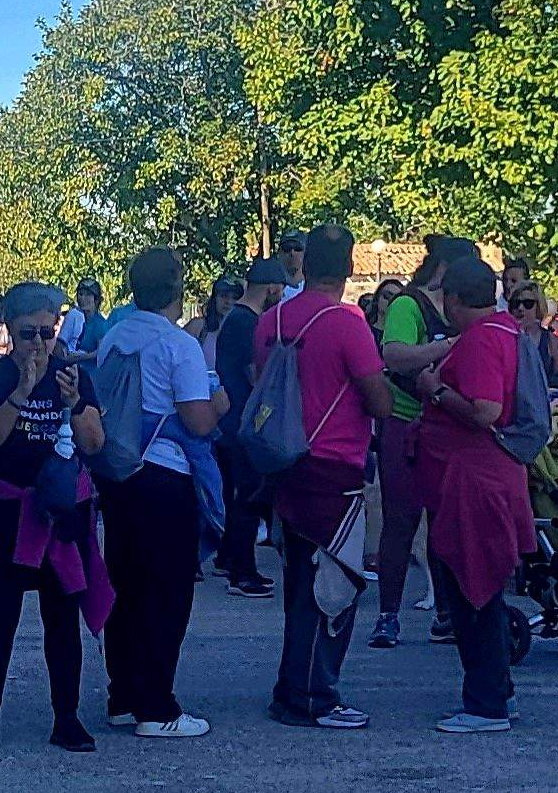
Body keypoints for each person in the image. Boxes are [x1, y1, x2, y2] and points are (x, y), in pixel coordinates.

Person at [0, 282, 111, 752]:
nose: (38, 344)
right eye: (27, 334)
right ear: (8, 332)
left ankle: (67, 718)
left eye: (46, 332)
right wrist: (21, 392)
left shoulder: (70, 378)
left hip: (58, 515)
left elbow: (95, 444)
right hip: (5, 510)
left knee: (61, 620)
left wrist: (72, 406)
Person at [256, 227, 393, 729]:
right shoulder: (346, 322)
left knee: (298, 581)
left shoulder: (270, 320)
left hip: (284, 463)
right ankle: (313, 694)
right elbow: (377, 399)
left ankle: (290, 686)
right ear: (350, 266)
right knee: (331, 585)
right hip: (334, 465)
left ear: (304, 263)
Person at [92, 246, 224, 739]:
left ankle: (122, 695)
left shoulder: (114, 337)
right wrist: (221, 402)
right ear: (178, 287)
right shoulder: (177, 344)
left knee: (124, 586)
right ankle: (158, 705)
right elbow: (197, 419)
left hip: (121, 473)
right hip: (166, 475)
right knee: (167, 592)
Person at [412, 253, 535, 734]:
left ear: (455, 299)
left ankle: (485, 704)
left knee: (474, 590)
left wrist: (435, 390)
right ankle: (495, 693)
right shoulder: (506, 331)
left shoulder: (482, 338)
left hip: (473, 481)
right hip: (484, 477)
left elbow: (485, 409)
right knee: (479, 590)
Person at [364, 229, 442, 650]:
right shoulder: (409, 305)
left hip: (451, 427)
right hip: (405, 422)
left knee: (448, 526)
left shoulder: (462, 308)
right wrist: (447, 348)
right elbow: (394, 355)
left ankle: (448, 612)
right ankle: (388, 615)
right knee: (400, 523)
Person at [208, 261, 279, 598]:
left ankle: (230, 558)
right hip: (242, 420)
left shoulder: (236, 319)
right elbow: (254, 373)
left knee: (240, 492)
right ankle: (242, 571)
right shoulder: (246, 323)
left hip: (232, 418)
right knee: (247, 494)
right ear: (270, 288)